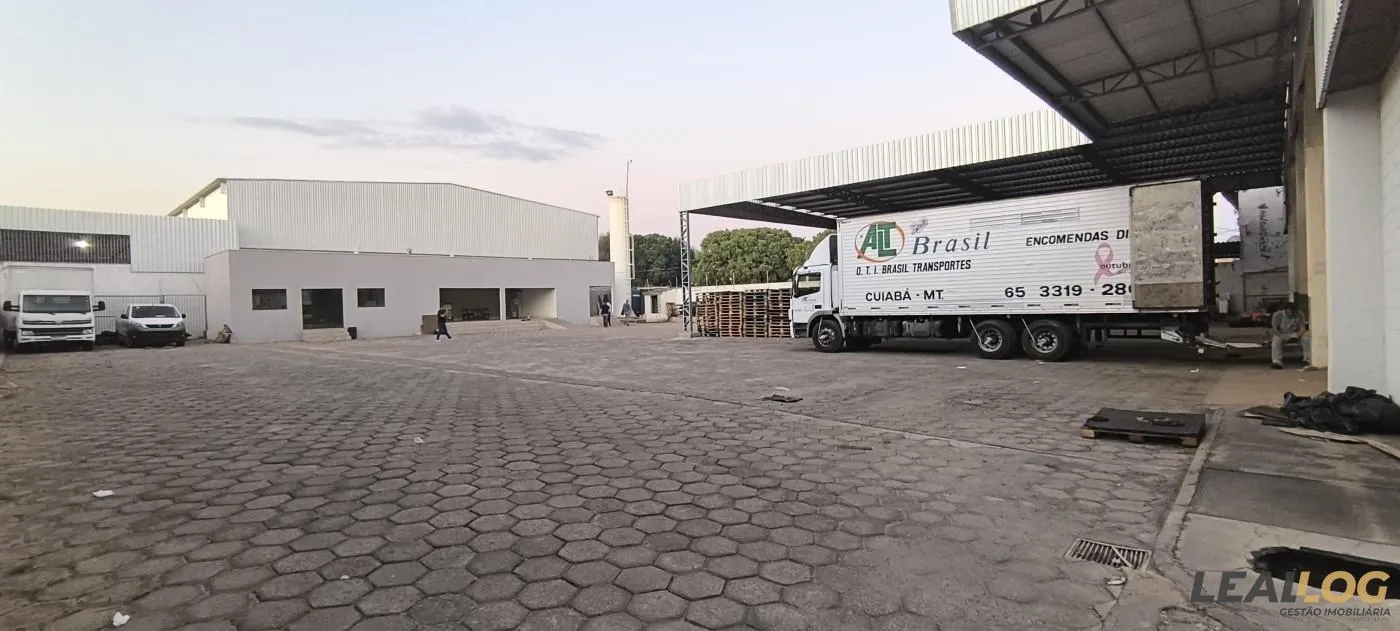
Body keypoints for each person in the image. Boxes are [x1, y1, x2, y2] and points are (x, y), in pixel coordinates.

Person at [1270, 302, 1309, 370]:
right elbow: (1274, 329)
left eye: (1293, 310)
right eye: (1288, 310)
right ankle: (1277, 361)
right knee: (1276, 340)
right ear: (1285, 309)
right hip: (1282, 333)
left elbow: (1303, 328)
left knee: (1306, 339)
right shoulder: (1277, 315)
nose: (1290, 312)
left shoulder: (1300, 314)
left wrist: (1298, 335)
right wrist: (1282, 336)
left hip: (1296, 333)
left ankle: (1307, 360)